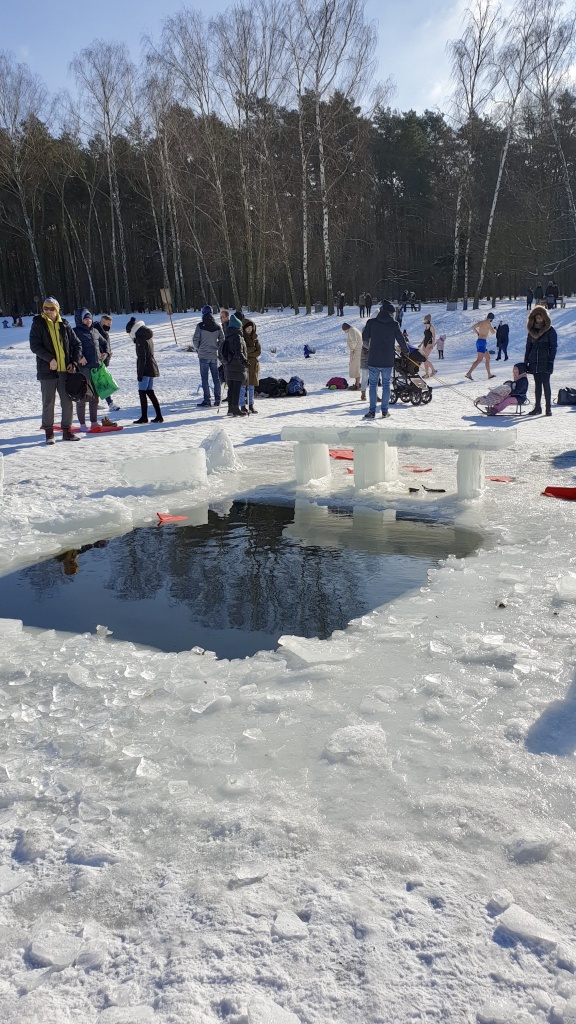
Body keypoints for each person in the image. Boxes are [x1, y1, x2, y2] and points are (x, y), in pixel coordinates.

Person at [29, 296, 81, 445]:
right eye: (45, 308)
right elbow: (35, 345)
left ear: (57, 309)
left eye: (51, 308)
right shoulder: (38, 323)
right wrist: (50, 359)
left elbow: (77, 344)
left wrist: (74, 362)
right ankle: (49, 433)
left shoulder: (64, 324)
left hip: (65, 371)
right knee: (48, 402)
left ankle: (67, 431)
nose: (48, 311)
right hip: (47, 371)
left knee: (67, 401)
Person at [361, 299, 409, 419]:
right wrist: (406, 352)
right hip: (387, 359)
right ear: (390, 313)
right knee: (386, 385)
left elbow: (364, 337)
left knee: (372, 385)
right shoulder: (394, 324)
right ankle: (384, 411)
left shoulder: (371, 322)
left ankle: (372, 411)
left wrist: (368, 347)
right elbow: (401, 340)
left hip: (373, 359)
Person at [73, 309, 115, 431]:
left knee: (95, 398)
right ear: (81, 320)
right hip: (83, 370)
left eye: (89, 319)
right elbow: (70, 348)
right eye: (85, 319)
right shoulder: (75, 332)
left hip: (96, 369)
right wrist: (79, 357)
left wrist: (106, 353)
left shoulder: (95, 331)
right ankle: (82, 424)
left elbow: (105, 343)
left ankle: (94, 422)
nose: (88, 321)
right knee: (82, 397)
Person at [126, 316, 163, 424]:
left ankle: (144, 417)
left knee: (142, 392)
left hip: (145, 368)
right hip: (152, 366)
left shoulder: (140, 338)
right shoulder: (147, 335)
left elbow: (142, 357)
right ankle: (159, 415)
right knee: (150, 392)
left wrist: (140, 373)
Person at [525, 305, 557, 416]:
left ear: (544, 318)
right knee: (537, 385)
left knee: (546, 384)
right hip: (534, 361)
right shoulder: (531, 331)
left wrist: (551, 361)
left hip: (545, 361)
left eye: (540, 318)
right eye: (537, 318)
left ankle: (548, 408)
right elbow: (528, 347)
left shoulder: (550, 330)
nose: (538, 320)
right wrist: (526, 361)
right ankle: (537, 407)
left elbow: (554, 347)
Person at [192, 304, 223, 408]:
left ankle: (207, 400)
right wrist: (216, 347)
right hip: (214, 355)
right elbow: (222, 340)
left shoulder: (200, 326)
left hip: (203, 355)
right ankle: (218, 399)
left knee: (204, 378)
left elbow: (195, 340)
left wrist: (198, 348)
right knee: (216, 378)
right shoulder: (217, 326)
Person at [220, 309, 248, 416]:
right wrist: (244, 362)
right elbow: (239, 352)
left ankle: (230, 408)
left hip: (229, 366)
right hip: (237, 366)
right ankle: (235, 408)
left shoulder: (228, 335)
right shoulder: (237, 337)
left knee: (231, 387)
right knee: (236, 387)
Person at [93, 313, 121, 412]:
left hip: (104, 360)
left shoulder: (104, 331)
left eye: (110, 324)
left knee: (97, 382)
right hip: (97, 361)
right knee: (103, 382)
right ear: (102, 322)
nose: (109, 326)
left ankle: (94, 403)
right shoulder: (95, 330)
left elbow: (106, 345)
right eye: (108, 324)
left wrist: (108, 353)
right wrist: (102, 353)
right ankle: (110, 403)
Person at [465, 312, 496, 381]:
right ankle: (469, 373)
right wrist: (495, 329)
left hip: (480, 341)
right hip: (482, 342)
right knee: (479, 360)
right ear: (491, 319)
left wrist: (478, 333)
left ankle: (489, 375)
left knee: (488, 358)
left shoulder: (481, 322)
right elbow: (493, 332)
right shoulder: (488, 323)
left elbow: (473, 327)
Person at [240, 318, 261, 413]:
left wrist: (251, 351)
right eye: (248, 327)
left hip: (254, 365)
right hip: (244, 364)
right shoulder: (241, 338)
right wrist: (252, 350)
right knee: (243, 385)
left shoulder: (255, 338)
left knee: (252, 386)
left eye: (251, 328)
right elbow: (244, 351)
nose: (249, 329)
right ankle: (242, 405)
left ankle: (251, 404)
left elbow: (259, 351)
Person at [342, 322, 362, 390]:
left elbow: (354, 341)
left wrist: (352, 349)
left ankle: (357, 385)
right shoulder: (353, 329)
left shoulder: (352, 331)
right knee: (356, 368)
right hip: (357, 351)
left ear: (346, 329)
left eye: (344, 331)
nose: (345, 332)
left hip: (356, 351)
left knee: (355, 367)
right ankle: (357, 383)